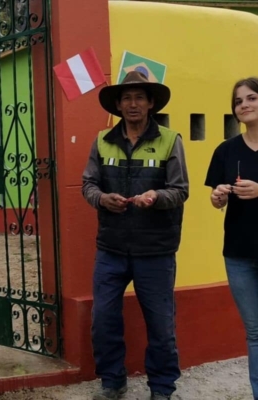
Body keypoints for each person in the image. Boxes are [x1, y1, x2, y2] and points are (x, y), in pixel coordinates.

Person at [82, 71, 189, 400]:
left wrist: (156, 198)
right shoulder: (102, 140)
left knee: (161, 326)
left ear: (151, 103)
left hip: (155, 250)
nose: (133, 104)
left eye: (139, 97)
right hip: (111, 249)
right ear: (118, 104)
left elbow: (180, 191)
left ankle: (161, 388)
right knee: (103, 320)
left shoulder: (170, 140)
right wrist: (102, 199)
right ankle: (113, 382)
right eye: (126, 98)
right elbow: (88, 185)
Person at [205, 77, 258, 400]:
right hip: (238, 255)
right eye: (239, 102)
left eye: (251, 97)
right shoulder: (226, 150)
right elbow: (215, 197)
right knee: (255, 333)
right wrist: (218, 197)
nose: (245, 105)